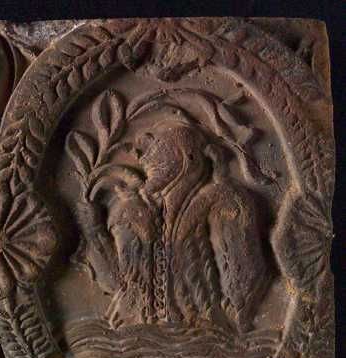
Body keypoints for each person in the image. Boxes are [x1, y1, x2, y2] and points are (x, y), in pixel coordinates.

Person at [75, 121, 268, 333]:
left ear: (187, 159)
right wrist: (94, 229)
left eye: (158, 148)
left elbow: (243, 276)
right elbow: (116, 283)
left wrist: (230, 317)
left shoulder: (218, 198)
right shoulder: (135, 210)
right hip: (132, 336)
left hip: (200, 334)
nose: (144, 158)